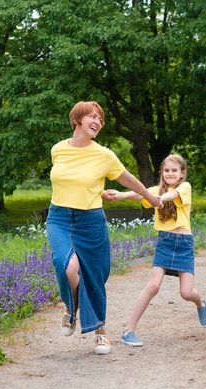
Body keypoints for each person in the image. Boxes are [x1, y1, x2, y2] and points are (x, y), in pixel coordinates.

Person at [46, 100, 161, 355]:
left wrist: (149, 197)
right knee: (66, 265)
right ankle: (70, 307)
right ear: (77, 119)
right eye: (92, 116)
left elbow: (127, 178)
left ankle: (100, 332)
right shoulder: (58, 150)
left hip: (91, 220)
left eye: (100, 119)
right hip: (59, 218)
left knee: (96, 276)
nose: (97, 121)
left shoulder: (104, 155)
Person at [104, 154, 206, 347]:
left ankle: (200, 303)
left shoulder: (184, 188)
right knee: (153, 286)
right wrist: (122, 195)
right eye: (166, 170)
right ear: (162, 172)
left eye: (174, 171)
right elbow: (141, 193)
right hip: (165, 242)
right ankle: (129, 330)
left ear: (182, 174)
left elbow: (172, 196)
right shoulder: (156, 190)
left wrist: (158, 199)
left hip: (184, 243)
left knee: (186, 293)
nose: (170, 173)